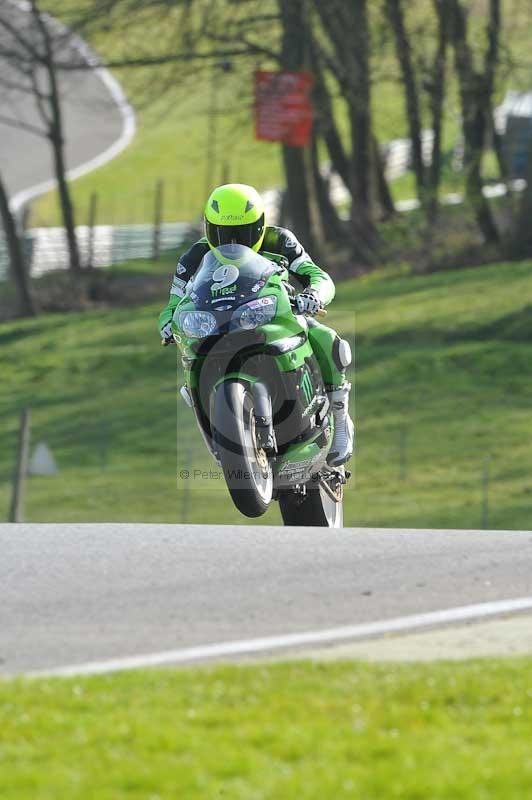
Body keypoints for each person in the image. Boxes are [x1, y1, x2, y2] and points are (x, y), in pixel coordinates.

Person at [158, 183, 354, 466]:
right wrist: (167, 323)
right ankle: (222, 435)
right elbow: (173, 303)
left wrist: (312, 295)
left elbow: (318, 275)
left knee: (325, 337)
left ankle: (340, 416)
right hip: (215, 325)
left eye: (242, 233)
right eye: (223, 234)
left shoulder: (281, 241)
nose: (233, 241)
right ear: (209, 229)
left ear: (261, 225)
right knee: (189, 372)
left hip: (272, 317)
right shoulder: (194, 257)